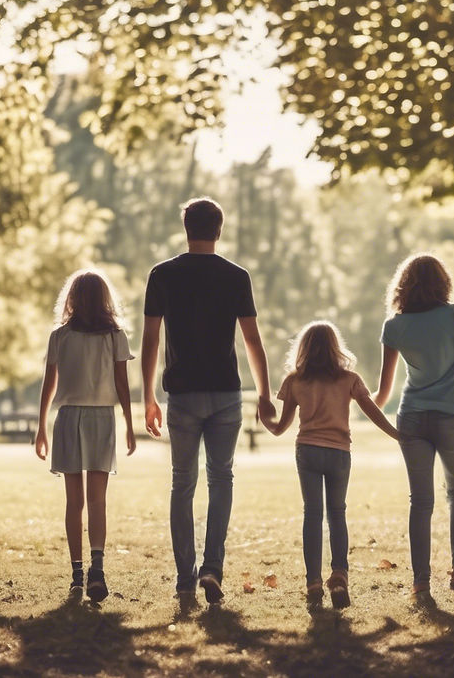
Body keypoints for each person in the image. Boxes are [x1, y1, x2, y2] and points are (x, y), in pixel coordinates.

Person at [141, 197, 275, 606]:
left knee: (183, 484)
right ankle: (212, 568)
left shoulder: (162, 274)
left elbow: (149, 340)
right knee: (222, 479)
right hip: (225, 394)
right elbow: (251, 340)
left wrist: (147, 395)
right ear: (219, 230)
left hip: (181, 394)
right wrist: (265, 392)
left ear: (186, 228)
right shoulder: (237, 276)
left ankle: (185, 579)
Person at [373, 253, 454, 602]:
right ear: (442, 283)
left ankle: (420, 585)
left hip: (412, 417)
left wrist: (350, 399)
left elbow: (383, 392)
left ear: (403, 286)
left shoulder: (394, 326)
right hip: (452, 418)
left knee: (421, 501)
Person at [259, 321, 399, 608]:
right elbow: (373, 411)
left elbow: (279, 428)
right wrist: (398, 435)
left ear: (303, 349)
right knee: (337, 513)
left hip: (308, 451)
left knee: (312, 514)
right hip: (339, 453)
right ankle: (339, 574)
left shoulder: (295, 381)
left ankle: (313, 582)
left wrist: (265, 416)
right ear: (336, 347)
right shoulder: (349, 379)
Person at [35, 269, 136, 602]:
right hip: (102, 419)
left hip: (68, 418)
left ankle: (77, 574)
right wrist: (129, 425)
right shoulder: (115, 335)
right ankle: (97, 569)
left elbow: (49, 385)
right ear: (105, 299)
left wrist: (41, 427)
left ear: (73, 298)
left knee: (74, 501)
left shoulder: (60, 336)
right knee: (97, 500)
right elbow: (122, 385)